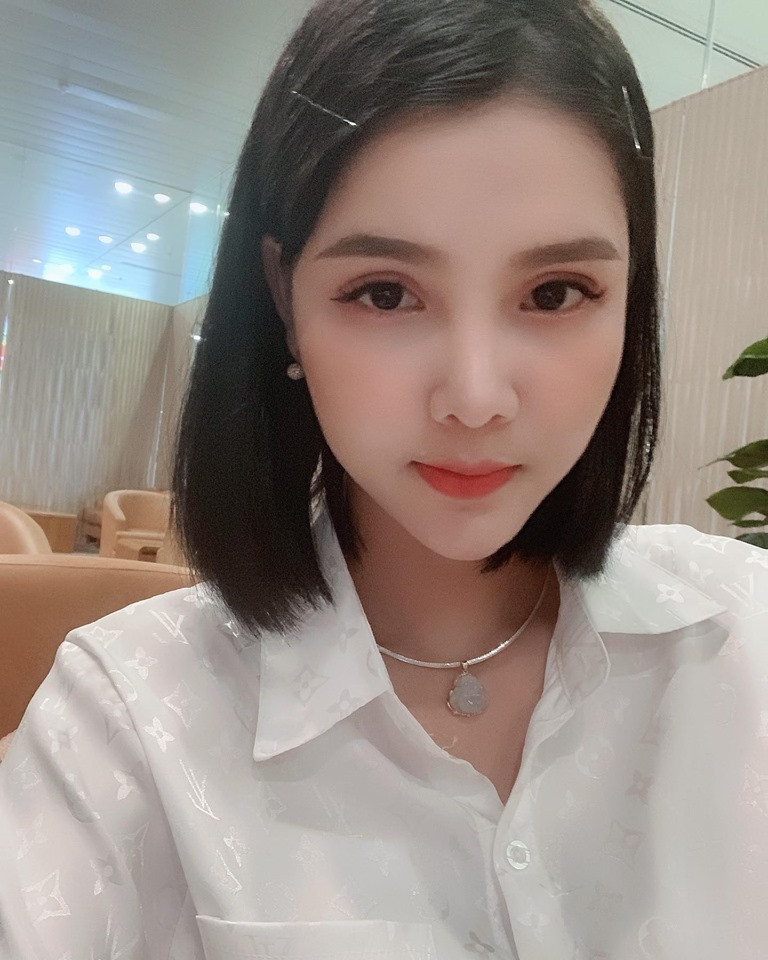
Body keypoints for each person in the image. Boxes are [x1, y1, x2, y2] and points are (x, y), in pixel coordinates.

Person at [1, 0, 766, 957]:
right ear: (285, 299)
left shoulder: (745, 640)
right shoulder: (125, 723)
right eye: (386, 293)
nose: (476, 398)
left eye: (556, 292)